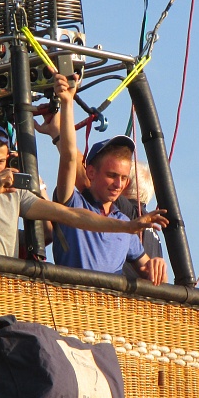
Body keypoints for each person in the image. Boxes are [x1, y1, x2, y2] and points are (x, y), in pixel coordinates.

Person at [0, 123, 167, 257]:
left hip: (3, 288)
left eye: (0, 162)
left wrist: (128, 227)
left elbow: (71, 215)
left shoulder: (14, 194)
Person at [48, 74, 169, 284]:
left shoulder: (124, 223)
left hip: (108, 305)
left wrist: (157, 266)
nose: (118, 184)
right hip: (71, 300)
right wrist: (67, 102)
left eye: (123, 178)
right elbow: (68, 157)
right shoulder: (71, 204)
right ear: (91, 173)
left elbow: (153, 277)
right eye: (111, 175)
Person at [116, 160, 164, 280]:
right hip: (145, 291)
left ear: (126, 184)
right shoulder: (155, 233)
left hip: (120, 287)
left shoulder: (127, 211)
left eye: (122, 178)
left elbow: (90, 183)